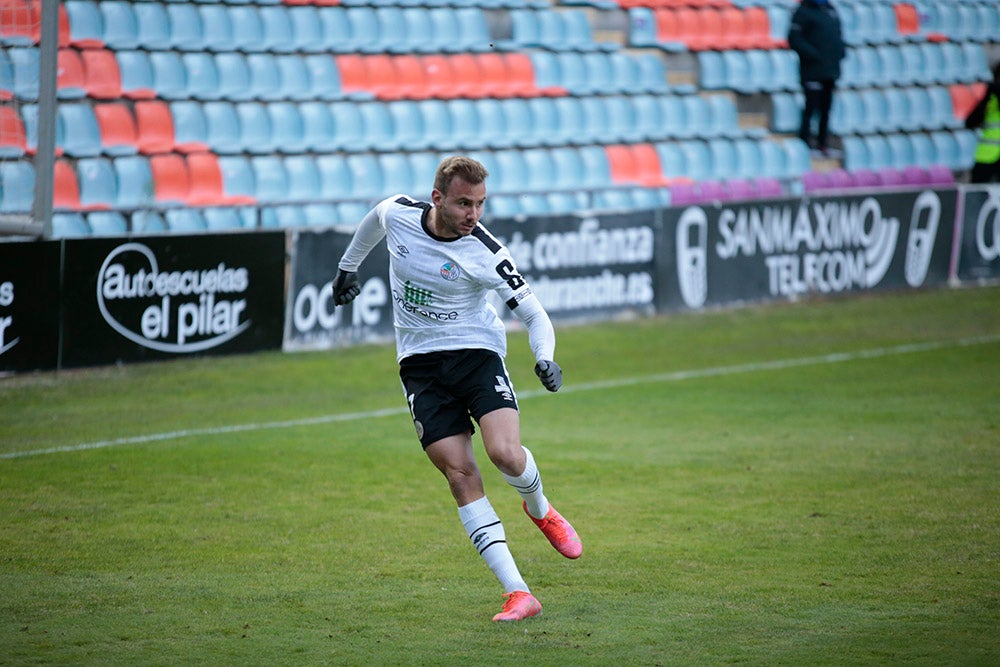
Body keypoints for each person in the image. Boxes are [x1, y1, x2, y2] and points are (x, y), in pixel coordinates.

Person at [330, 156, 581, 622]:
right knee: (461, 475)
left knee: (504, 453)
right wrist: (348, 267)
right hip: (420, 368)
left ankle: (541, 509)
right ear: (438, 198)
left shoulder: (486, 251)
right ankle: (517, 592)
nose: (474, 214)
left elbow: (534, 314)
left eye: (481, 204)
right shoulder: (401, 214)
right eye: (464, 203)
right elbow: (374, 219)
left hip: (476, 354)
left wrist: (544, 356)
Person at [787, 0, 846, 157]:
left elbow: (838, 34)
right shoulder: (803, 11)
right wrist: (813, 55)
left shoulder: (829, 9)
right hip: (812, 70)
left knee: (826, 108)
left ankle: (822, 144)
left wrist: (839, 52)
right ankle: (805, 142)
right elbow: (794, 38)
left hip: (830, 70)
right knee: (811, 107)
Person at [965, 62, 1000, 184]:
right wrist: (986, 97)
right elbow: (970, 122)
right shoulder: (990, 100)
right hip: (986, 156)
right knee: (977, 196)